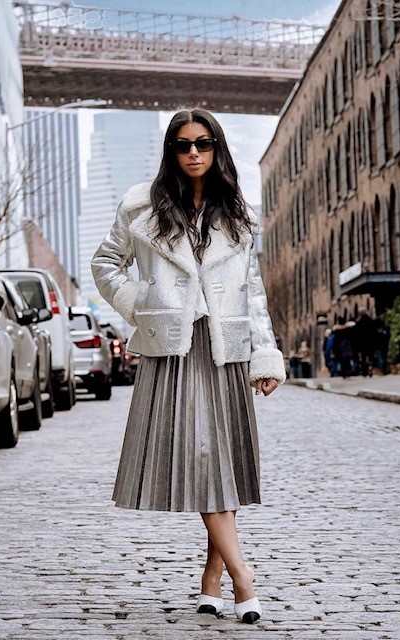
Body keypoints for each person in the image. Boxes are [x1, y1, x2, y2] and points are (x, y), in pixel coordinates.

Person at [91, 108, 285, 625]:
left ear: (217, 149)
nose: (194, 152)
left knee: (221, 462)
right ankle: (245, 579)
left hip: (226, 348)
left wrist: (265, 353)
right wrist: (142, 302)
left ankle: (213, 577)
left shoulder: (236, 211)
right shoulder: (141, 206)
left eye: (203, 143)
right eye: (183, 144)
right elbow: (105, 265)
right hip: (175, 348)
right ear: (170, 151)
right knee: (203, 458)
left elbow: (253, 291)